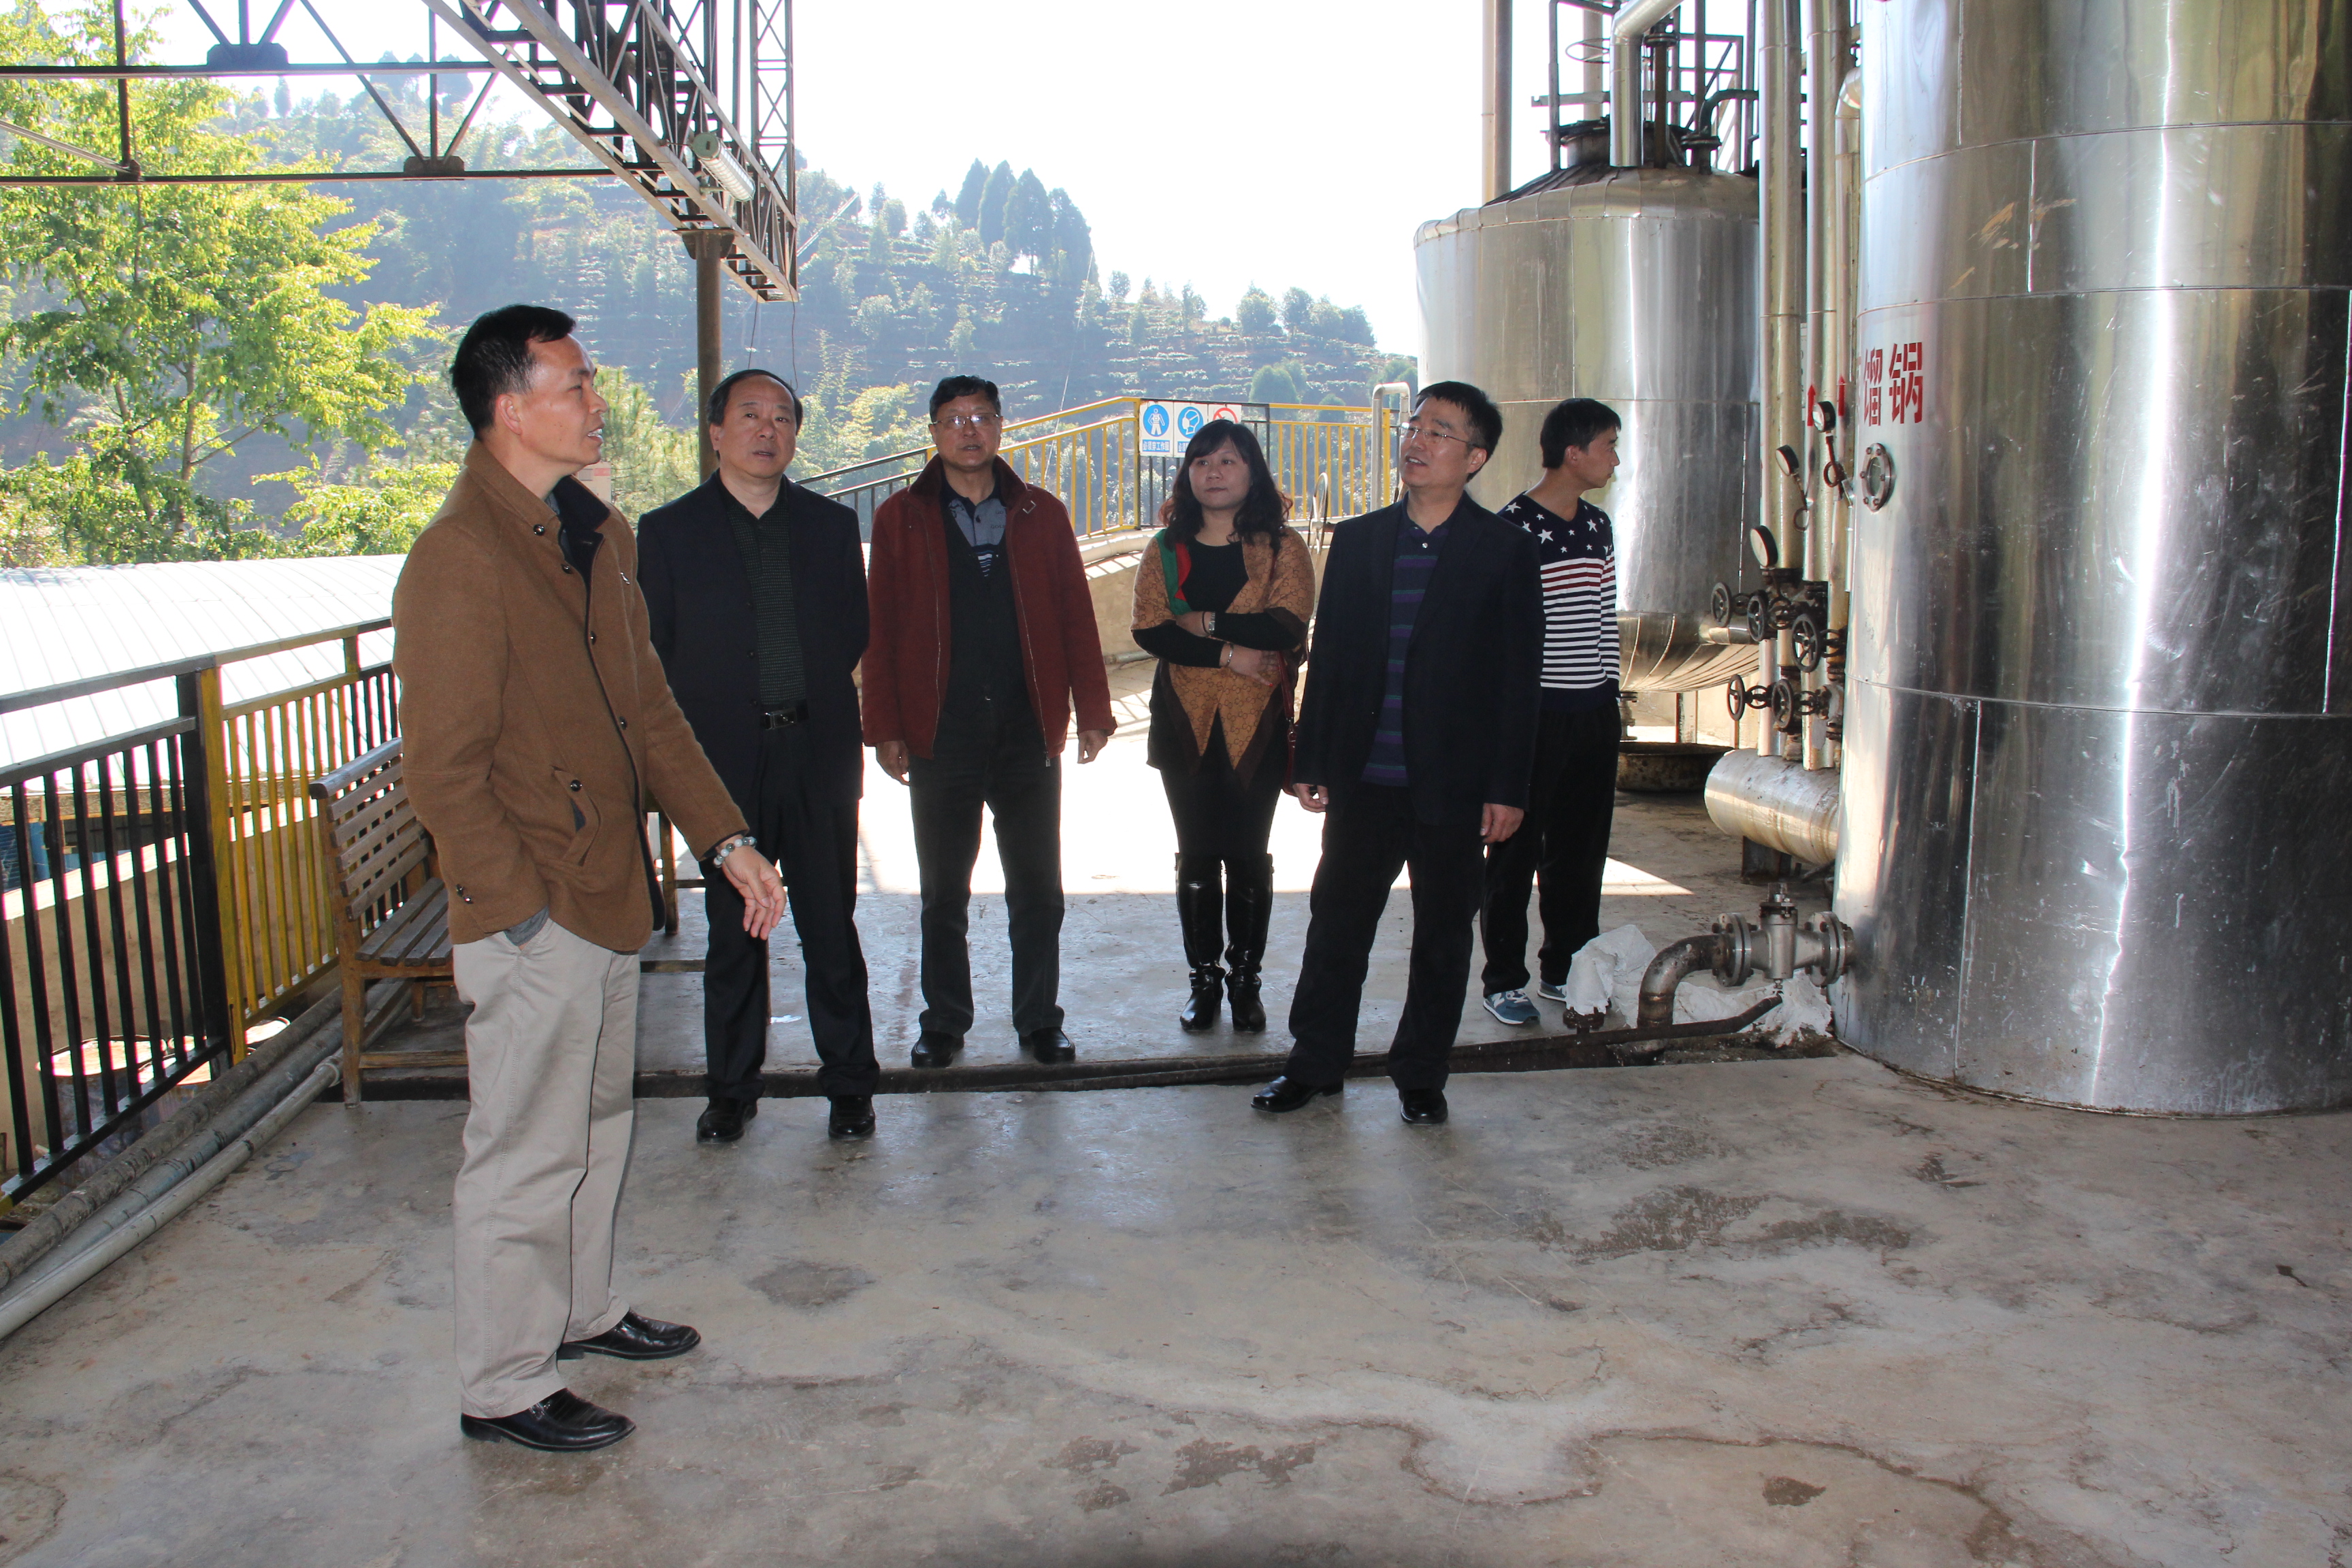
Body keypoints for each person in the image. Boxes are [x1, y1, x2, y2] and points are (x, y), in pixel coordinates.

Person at [394, 305, 787, 1453]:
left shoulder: (595, 535)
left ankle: (581, 1309)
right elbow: (444, 770)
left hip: (607, 889)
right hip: (537, 909)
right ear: (511, 409)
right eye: (575, 384)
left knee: (598, 1123)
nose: (597, 400)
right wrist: (517, 911)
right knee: (524, 1148)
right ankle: (504, 1382)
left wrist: (725, 839)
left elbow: (648, 710)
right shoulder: (460, 556)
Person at [1251, 381, 1541, 1127]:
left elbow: (1518, 681)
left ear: (1474, 458)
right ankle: (1315, 1064)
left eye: (1440, 432)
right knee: (1337, 927)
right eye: (1415, 426)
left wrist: (1508, 787)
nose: (1417, 441)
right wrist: (1311, 759)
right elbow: (1332, 661)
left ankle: (1421, 1074)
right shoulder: (1360, 541)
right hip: (1365, 779)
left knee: (1443, 936)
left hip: (1454, 785)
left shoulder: (1505, 551)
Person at [638, 369, 881, 1145]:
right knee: (732, 931)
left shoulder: (830, 526)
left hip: (816, 752)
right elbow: (655, 648)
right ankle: (731, 1091)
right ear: (716, 432)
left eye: (781, 417)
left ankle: (850, 1086)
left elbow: (852, 630)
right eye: (749, 415)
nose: (766, 430)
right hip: (721, 765)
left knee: (829, 925)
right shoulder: (667, 532)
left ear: (796, 435)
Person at [861, 375, 1115, 1068]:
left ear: (1001, 427)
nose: (968, 430)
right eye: (953, 419)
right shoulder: (901, 518)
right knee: (944, 890)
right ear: (934, 433)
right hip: (939, 731)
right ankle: (944, 1022)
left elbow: (1075, 615)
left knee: (1038, 888)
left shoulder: (1042, 513)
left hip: (1027, 729)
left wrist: (1092, 710)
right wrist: (885, 726)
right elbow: (880, 628)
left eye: (981, 417)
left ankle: (1040, 1020)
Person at [1130, 421, 1314, 1032]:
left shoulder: (1282, 547)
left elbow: (1285, 624)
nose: (1214, 473)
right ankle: (1204, 980)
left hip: (1257, 721)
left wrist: (1205, 622)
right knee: (1197, 852)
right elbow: (1151, 630)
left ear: (1252, 471)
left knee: (1247, 851)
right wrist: (1231, 653)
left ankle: (1245, 981)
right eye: (1202, 462)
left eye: (1228, 461)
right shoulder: (1166, 548)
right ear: (1187, 474)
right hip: (1183, 721)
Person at [1478, 397, 1624, 1026]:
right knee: (1514, 853)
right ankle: (1503, 979)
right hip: (1535, 717)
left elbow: (1604, 614)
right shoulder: (1512, 530)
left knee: (1581, 851)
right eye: (1608, 446)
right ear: (1574, 452)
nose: (1615, 460)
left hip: (1593, 712)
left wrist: (1609, 696)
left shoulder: (1597, 527)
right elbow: (1500, 637)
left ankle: (1566, 967)